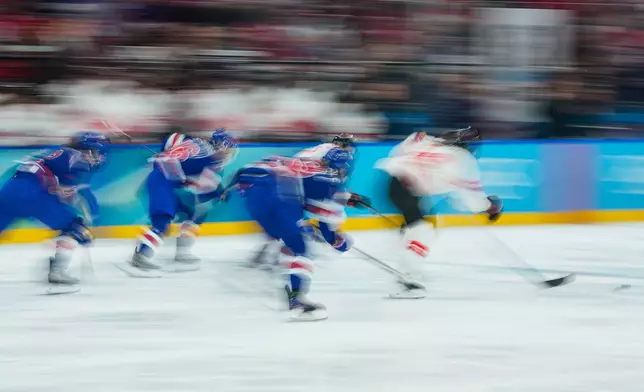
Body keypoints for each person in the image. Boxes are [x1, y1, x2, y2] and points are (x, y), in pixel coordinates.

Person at [231, 150, 362, 321]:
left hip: (251, 195)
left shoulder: (304, 162)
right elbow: (327, 230)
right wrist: (340, 242)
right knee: (302, 249)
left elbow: (252, 169)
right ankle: (297, 299)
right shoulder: (330, 180)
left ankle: (287, 278)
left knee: (290, 241)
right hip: (279, 197)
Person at [375, 128, 503, 299]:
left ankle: (407, 259)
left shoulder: (428, 142)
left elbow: (407, 143)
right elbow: (474, 201)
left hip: (390, 181)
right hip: (407, 190)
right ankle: (406, 281)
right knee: (423, 231)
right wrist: (491, 207)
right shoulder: (465, 161)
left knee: (421, 224)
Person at [0, 131, 110, 287]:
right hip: (33, 195)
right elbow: (71, 193)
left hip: (9, 191)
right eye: (97, 151)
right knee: (74, 228)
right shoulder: (75, 157)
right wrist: (88, 219)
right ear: (88, 149)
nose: (99, 156)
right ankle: (57, 271)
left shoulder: (54, 152)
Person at [130, 129, 237, 273]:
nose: (228, 154)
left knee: (195, 213)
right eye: (228, 150)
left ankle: (182, 252)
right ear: (221, 146)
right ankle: (141, 255)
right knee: (162, 223)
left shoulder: (196, 143)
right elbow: (205, 188)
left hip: (165, 181)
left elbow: (172, 141)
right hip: (163, 183)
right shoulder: (213, 158)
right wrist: (221, 192)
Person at [248, 134, 360, 268]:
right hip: (294, 189)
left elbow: (325, 184)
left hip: (286, 188)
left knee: (290, 224)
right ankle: (291, 254)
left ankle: (280, 250)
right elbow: (327, 187)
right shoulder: (336, 154)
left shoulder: (320, 151)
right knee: (297, 226)